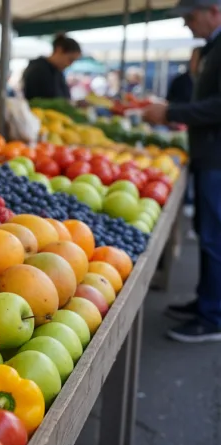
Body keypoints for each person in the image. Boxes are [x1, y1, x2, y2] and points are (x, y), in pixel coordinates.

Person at [143, 0, 221, 343]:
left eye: (190, 16)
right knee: (208, 233)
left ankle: (213, 315)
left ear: (214, 11)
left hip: (217, 157)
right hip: (208, 154)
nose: (186, 24)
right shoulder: (211, 47)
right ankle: (207, 301)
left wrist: (172, 112)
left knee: (214, 236)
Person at [22, 34, 82, 100]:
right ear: (59, 50)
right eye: (70, 59)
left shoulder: (58, 71)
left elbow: (65, 98)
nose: (70, 64)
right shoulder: (37, 70)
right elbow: (34, 100)